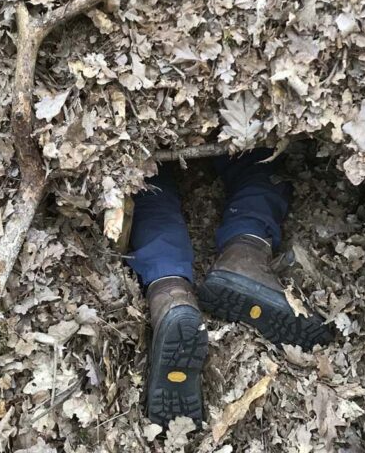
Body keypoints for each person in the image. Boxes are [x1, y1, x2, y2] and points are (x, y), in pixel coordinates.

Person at [128, 149, 333, 426]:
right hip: (227, 120)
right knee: (257, 157)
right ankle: (244, 252)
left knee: (145, 181)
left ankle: (170, 295)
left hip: (140, 127)